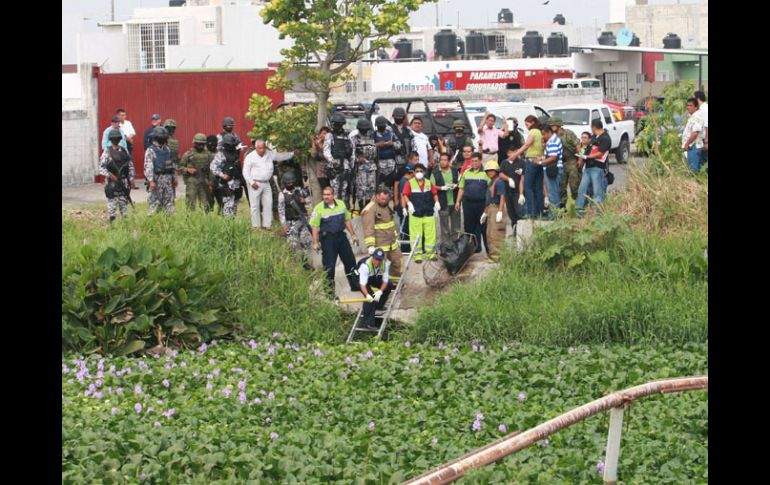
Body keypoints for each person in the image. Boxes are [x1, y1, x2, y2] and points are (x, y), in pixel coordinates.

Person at [309, 186, 360, 292]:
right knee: (329, 266)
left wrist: (353, 235)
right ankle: (329, 292)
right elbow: (314, 227)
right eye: (324, 195)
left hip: (341, 237)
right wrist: (315, 242)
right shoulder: (319, 208)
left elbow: (347, 220)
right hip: (328, 239)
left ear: (333, 195)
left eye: (328, 194)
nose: (326, 197)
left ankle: (355, 286)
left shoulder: (341, 204)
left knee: (350, 261)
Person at [241, 140, 295, 230]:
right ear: (256, 148)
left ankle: (267, 225)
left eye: (263, 148)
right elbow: (245, 171)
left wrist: (292, 153)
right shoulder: (250, 157)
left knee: (268, 203)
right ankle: (256, 226)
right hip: (255, 183)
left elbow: (280, 156)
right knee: (255, 206)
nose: (262, 150)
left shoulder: (269, 154)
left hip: (266, 183)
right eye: (260, 148)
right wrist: (251, 182)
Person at [401, 163, 440, 262]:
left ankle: (430, 254)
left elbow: (434, 193)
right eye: (417, 171)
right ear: (413, 173)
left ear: (424, 172)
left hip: (428, 212)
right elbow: (405, 195)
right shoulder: (409, 183)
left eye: (421, 171)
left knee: (430, 235)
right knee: (416, 235)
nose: (419, 173)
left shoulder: (428, 182)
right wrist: (408, 204)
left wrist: (436, 202)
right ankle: (417, 255)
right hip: (415, 214)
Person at [361, 187, 403, 278]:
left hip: (392, 243)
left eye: (386, 199)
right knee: (379, 268)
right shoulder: (370, 209)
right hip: (379, 245)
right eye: (382, 199)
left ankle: (394, 283)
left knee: (398, 261)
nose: (384, 201)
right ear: (377, 196)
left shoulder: (386, 206)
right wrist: (370, 245)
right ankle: (377, 288)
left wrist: (396, 238)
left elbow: (391, 224)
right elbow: (368, 228)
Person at [455, 152, 490, 254]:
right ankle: (473, 249)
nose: (474, 163)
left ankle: (489, 251)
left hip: (482, 204)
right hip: (468, 203)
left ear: (480, 161)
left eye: (476, 161)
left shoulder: (486, 173)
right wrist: (458, 201)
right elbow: (461, 188)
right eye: (472, 161)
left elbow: (490, 188)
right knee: (469, 227)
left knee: (484, 227)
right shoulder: (466, 172)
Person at [99, 128, 135, 223]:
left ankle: (125, 226)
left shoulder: (124, 151)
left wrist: (131, 179)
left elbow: (130, 165)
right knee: (112, 207)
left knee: (124, 206)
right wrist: (110, 175)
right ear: (110, 139)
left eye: (117, 138)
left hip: (123, 182)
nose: (116, 140)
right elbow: (101, 168)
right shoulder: (107, 152)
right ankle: (113, 225)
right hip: (112, 183)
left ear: (120, 139)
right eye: (114, 138)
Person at [512, 115, 544, 218]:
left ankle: (531, 212)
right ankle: (540, 212)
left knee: (528, 186)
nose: (526, 126)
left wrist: (516, 154)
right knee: (538, 187)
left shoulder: (533, 132)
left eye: (527, 124)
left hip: (531, 160)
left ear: (533, 122)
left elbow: (527, 145)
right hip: (539, 161)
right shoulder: (540, 132)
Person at [576, 120, 611, 211]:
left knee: (597, 192)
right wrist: (582, 157)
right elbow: (588, 149)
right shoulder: (595, 137)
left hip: (597, 168)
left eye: (592, 128)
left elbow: (600, 153)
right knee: (581, 190)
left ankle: (597, 213)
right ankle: (579, 212)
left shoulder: (605, 138)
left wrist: (588, 156)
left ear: (594, 127)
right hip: (588, 167)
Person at [278, 172, 312, 263]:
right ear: (285, 183)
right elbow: (281, 211)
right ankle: (294, 263)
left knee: (306, 242)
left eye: (291, 182)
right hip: (290, 223)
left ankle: (305, 262)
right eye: (288, 183)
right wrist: (284, 224)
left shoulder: (300, 190)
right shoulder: (282, 195)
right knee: (292, 244)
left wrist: (305, 200)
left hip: (302, 220)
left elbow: (310, 199)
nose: (290, 184)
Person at [355, 248, 393, 331]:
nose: (378, 262)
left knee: (389, 285)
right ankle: (367, 323)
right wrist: (367, 295)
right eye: (376, 259)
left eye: (380, 260)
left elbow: (385, 280)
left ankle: (378, 306)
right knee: (370, 298)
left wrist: (380, 291)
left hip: (371, 276)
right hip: (359, 279)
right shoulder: (365, 266)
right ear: (372, 257)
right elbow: (362, 284)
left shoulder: (384, 264)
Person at [143, 126, 177, 215]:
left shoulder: (167, 149)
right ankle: (152, 223)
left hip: (168, 179)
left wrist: (174, 178)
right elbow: (148, 167)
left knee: (169, 202)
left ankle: (169, 222)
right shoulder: (150, 150)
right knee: (154, 203)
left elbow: (171, 164)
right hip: (156, 179)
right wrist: (151, 181)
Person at [323, 112, 354, 207]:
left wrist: (351, 165)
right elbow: (326, 151)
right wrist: (332, 162)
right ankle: (334, 210)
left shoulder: (347, 136)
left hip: (345, 166)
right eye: (336, 123)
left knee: (345, 191)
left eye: (339, 124)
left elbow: (352, 151)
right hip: (335, 167)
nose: (338, 126)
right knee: (335, 191)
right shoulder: (329, 135)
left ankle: (343, 210)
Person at [210, 134, 244, 217]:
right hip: (227, 184)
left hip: (236, 183)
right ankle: (227, 226)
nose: (231, 146)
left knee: (235, 206)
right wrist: (222, 175)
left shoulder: (235, 153)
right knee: (228, 206)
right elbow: (213, 167)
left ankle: (231, 224)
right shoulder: (221, 154)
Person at [179, 133, 214, 212]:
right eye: (198, 143)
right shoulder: (188, 154)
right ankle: (190, 220)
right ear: (194, 143)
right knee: (190, 202)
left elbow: (211, 170)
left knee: (205, 204)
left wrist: (211, 183)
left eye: (202, 144)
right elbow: (180, 167)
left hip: (204, 181)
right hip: (192, 180)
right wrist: (188, 170)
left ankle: (205, 220)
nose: (200, 146)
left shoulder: (208, 155)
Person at [430, 152, 461, 243]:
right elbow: (431, 186)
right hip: (443, 203)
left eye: (445, 160)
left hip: (455, 202)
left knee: (456, 228)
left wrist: (456, 185)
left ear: (449, 161)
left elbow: (460, 183)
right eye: (441, 160)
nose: (442, 162)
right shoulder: (435, 172)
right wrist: (441, 188)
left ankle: (456, 247)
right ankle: (447, 248)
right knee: (445, 229)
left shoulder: (454, 171)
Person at [550, 118, 580, 206]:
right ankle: (563, 206)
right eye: (551, 125)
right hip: (560, 162)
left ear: (558, 124)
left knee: (574, 184)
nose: (551, 127)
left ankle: (578, 204)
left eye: (553, 125)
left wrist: (580, 159)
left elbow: (577, 145)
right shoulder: (552, 135)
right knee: (561, 186)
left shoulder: (568, 133)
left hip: (571, 160)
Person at [349, 118, 378, 212]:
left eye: (366, 128)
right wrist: (357, 159)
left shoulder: (371, 138)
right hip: (360, 168)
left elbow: (375, 152)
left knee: (371, 188)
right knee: (361, 189)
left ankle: (368, 208)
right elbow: (351, 154)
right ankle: (361, 208)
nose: (364, 130)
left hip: (372, 167)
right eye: (362, 128)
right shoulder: (354, 139)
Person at [481, 161, 507, 262]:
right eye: (488, 171)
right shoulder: (490, 182)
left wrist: (500, 211)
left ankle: (497, 256)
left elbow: (502, 196)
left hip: (497, 208)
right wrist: (485, 213)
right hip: (491, 209)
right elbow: (488, 200)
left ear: (496, 171)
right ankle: (492, 254)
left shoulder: (499, 182)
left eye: (492, 170)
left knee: (496, 233)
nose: (490, 173)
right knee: (490, 233)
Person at [537, 124, 563, 217]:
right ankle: (555, 214)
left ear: (548, 132)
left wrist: (540, 162)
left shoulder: (552, 141)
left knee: (553, 193)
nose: (543, 136)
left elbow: (553, 157)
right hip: (552, 168)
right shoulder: (553, 140)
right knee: (554, 192)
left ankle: (554, 216)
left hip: (552, 169)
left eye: (544, 134)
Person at [498, 146, 526, 230]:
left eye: (515, 152)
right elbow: (500, 174)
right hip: (507, 191)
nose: (513, 154)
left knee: (519, 213)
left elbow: (522, 178)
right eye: (511, 152)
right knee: (511, 214)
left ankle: (521, 231)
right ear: (508, 153)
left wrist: (521, 194)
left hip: (517, 192)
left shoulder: (521, 162)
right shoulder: (504, 163)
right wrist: (508, 179)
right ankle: (514, 231)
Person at [373, 116, 400, 196]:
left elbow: (399, 145)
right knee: (380, 185)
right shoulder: (373, 135)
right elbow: (368, 147)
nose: (381, 127)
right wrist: (376, 145)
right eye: (379, 126)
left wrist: (392, 143)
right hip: (379, 163)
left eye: (383, 126)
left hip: (391, 164)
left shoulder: (391, 134)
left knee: (390, 185)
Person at [395, 159, 417, 253]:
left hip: (406, 208)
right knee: (405, 229)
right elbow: (403, 196)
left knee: (407, 228)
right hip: (404, 209)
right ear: (411, 172)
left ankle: (407, 248)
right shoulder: (405, 181)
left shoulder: (405, 180)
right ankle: (405, 249)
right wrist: (404, 208)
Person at [681, 97, 705, 172]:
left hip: (694, 146)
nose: (688, 107)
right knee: (693, 168)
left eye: (691, 105)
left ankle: (695, 183)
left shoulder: (697, 116)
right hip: (692, 146)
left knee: (693, 170)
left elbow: (695, 133)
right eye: (687, 105)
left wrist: (687, 144)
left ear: (696, 107)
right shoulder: (693, 116)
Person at [206, 135, 221, 212]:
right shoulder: (204, 154)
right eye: (210, 144)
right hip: (207, 181)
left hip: (218, 181)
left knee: (221, 201)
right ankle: (208, 217)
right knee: (209, 202)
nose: (212, 146)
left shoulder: (219, 153)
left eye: (214, 144)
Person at [694, 90, 708, 159]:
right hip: (703, 139)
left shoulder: (704, 109)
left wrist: (706, 141)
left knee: (704, 161)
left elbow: (707, 125)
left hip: (705, 139)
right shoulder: (704, 108)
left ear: (698, 98)